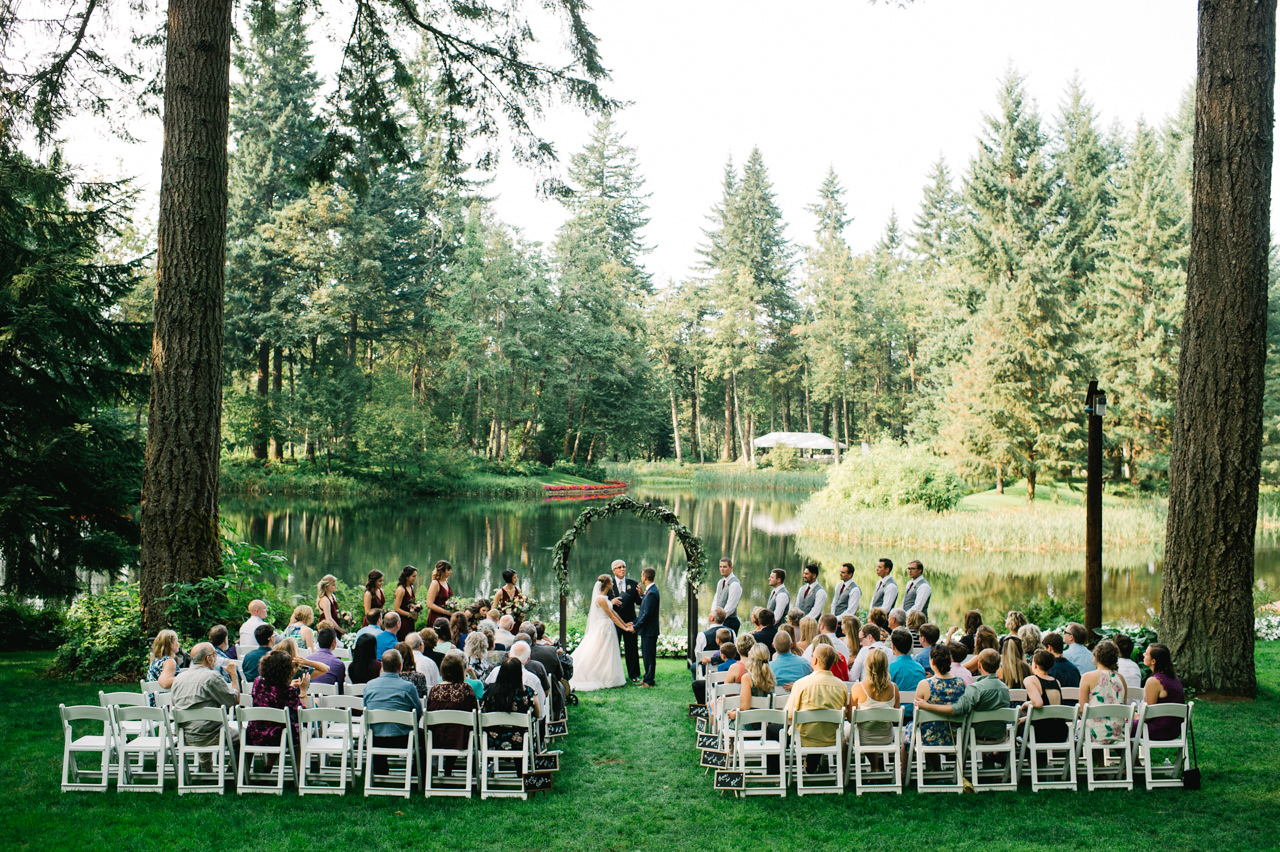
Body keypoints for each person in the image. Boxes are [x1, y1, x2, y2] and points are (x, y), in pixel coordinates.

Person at [916, 648, 1010, 744]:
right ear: (998, 666)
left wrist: (927, 706)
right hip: (1000, 738)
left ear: (979, 664)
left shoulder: (976, 689)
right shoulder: (1005, 688)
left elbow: (957, 709)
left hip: (976, 737)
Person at [785, 644, 850, 770]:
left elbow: (788, 714)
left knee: (774, 730)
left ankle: (776, 772)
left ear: (814, 660)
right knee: (821, 726)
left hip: (804, 737)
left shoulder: (801, 684)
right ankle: (812, 763)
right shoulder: (841, 686)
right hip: (831, 736)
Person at [171, 643, 240, 758]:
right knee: (245, 737)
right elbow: (233, 701)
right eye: (215, 654)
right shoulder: (212, 677)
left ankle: (206, 772)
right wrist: (233, 675)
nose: (216, 657)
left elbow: (174, 706)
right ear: (208, 658)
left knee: (202, 724)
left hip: (186, 735)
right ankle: (233, 773)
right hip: (212, 735)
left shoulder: (179, 678)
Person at [568, 573, 632, 691]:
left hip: (608, 626)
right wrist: (625, 629)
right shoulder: (601, 599)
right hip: (604, 627)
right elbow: (611, 616)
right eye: (611, 582)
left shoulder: (605, 598)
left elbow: (614, 613)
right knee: (601, 652)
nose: (613, 583)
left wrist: (624, 624)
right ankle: (599, 675)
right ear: (607, 584)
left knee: (608, 653)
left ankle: (610, 676)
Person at [363, 649, 423, 774]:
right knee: (424, 736)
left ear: (382, 666)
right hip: (403, 738)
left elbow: (367, 710)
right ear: (400, 666)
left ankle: (380, 770)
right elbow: (418, 712)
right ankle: (417, 773)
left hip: (376, 738)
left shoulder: (369, 685)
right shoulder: (408, 687)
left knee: (378, 727)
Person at [426, 653, 479, 775]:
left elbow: (429, 711)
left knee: (451, 728)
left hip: (437, 737)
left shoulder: (434, 690)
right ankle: (463, 770)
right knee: (459, 729)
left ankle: (447, 769)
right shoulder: (466, 689)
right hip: (461, 738)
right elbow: (474, 713)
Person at [247, 650, 307, 750]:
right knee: (299, 730)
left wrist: (289, 686)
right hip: (278, 737)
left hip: (255, 733)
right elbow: (302, 715)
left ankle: (268, 766)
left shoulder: (258, 683)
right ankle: (298, 765)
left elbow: (272, 690)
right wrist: (303, 691)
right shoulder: (287, 692)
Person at [481, 658, 538, 756]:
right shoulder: (527, 693)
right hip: (520, 741)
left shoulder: (489, 692)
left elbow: (483, 711)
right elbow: (538, 714)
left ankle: (490, 764)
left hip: (493, 739)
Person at [913, 644, 965, 748]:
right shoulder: (961, 683)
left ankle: (905, 765)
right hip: (955, 735)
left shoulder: (924, 684)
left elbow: (916, 715)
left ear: (932, 661)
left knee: (909, 733)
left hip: (930, 736)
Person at [1077, 639, 1126, 745]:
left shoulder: (1087, 677)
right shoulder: (1121, 678)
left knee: (1077, 727)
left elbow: (1082, 709)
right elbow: (1124, 707)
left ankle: (1079, 759)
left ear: (1096, 656)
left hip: (1094, 731)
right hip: (1117, 731)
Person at [850, 647, 900, 747]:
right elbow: (895, 717)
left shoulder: (857, 688)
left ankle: (845, 763)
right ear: (886, 665)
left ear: (867, 665)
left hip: (863, 737)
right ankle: (875, 763)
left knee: (845, 735)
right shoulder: (894, 688)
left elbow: (851, 718)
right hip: (886, 737)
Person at [1141, 643, 1186, 740]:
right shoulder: (1174, 678)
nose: (1144, 654)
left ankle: (1129, 755)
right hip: (1174, 731)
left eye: (1146, 653)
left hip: (1157, 730)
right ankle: (1131, 755)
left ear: (1153, 661)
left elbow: (1148, 715)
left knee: (1120, 727)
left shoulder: (1154, 681)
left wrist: (1134, 716)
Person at [1023, 649, 1068, 743]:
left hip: (1039, 734)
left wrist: (1026, 704)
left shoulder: (1031, 680)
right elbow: (1051, 713)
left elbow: (1038, 703)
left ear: (1034, 664)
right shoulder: (1056, 682)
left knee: (1016, 729)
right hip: (1060, 732)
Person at [609, 559, 642, 682]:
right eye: (619, 567)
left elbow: (639, 603)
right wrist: (610, 602)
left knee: (632, 649)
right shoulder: (608, 584)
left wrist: (641, 594)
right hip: (614, 623)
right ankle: (614, 675)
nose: (622, 569)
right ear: (613, 570)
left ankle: (634, 675)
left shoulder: (633, 584)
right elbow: (600, 602)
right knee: (613, 649)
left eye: (624, 567)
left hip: (629, 623)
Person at [888, 627, 926, 724]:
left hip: (896, 716)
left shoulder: (891, 667)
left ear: (893, 647)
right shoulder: (920, 668)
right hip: (916, 716)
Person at [631, 567, 661, 688]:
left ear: (645, 577)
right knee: (646, 656)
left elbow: (647, 614)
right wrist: (642, 594)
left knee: (649, 657)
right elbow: (645, 608)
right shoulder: (650, 591)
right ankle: (646, 678)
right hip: (647, 631)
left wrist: (636, 626)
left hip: (650, 631)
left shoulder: (653, 592)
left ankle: (649, 681)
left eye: (642, 575)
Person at [712, 557, 744, 633]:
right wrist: (713, 614)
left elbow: (731, 607)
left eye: (725, 567)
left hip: (729, 622)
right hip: (719, 621)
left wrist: (719, 619)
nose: (722, 569)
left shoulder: (735, 584)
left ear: (731, 567)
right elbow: (716, 600)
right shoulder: (720, 582)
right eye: (720, 567)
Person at [391, 565, 421, 641]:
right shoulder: (401, 590)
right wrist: (410, 615)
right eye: (413, 576)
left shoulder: (411, 587)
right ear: (407, 577)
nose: (415, 578)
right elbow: (396, 608)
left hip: (410, 620)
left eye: (416, 576)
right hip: (403, 621)